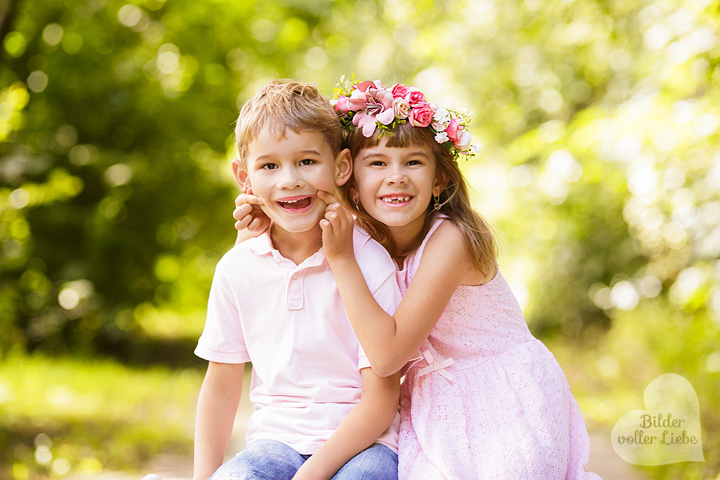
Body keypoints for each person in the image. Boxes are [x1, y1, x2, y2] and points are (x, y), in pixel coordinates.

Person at [234, 78, 601, 479]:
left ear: (440, 178)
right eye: (377, 163)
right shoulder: (368, 235)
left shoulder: (451, 240)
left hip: (499, 397)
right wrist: (264, 221)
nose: (396, 177)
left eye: (413, 162)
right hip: (434, 402)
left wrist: (341, 259)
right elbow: (301, 222)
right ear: (349, 176)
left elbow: (388, 355)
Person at [194, 79, 403, 480]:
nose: (289, 180)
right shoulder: (237, 268)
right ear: (244, 176)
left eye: (306, 162)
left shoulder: (369, 260)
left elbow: (381, 401)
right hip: (276, 442)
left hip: (366, 445)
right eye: (269, 166)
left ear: (341, 167)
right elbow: (221, 387)